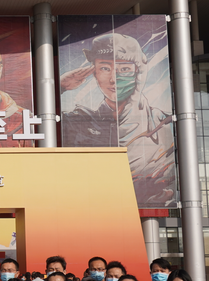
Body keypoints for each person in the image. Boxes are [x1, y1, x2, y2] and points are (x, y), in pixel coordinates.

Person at [60, 32, 175, 207]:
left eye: (124, 69)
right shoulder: (78, 123)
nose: (114, 79)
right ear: (94, 73)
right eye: (105, 69)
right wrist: (59, 87)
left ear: (139, 72)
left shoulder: (163, 124)